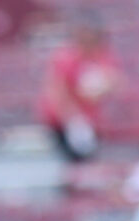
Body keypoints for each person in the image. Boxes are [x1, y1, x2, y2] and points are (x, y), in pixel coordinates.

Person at [38, 18, 120, 193]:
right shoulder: (66, 57)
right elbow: (57, 91)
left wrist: (104, 85)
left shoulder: (101, 56)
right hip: (64, 122)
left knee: (87, 163)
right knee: (73, 163)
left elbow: (114, 82)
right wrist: (73, 119)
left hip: (90, 121)